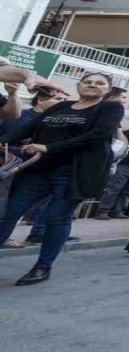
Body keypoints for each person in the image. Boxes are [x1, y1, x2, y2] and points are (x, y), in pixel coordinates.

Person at [0, 73, 125, 285]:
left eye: (99, 83)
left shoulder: (109, 108)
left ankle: (43, 266)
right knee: (10, 211)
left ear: (108, 89)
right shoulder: (61, 106)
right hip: (38, 169)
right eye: (88, 82)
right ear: (79, 85)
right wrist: (3, 141)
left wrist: (49, 147)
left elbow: (99, 135)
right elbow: (28, 128)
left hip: (74, 172)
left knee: (56, 218)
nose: (92, 85)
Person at [1, 87, 67, 248]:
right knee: (7, 205)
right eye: (58, 99)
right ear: (41, 100)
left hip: (32, 169)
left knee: (15, 207)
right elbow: (8, 140)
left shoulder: (53, 120)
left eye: (64, 101)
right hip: (12, 167)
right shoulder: (22, 116)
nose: (62, 104)